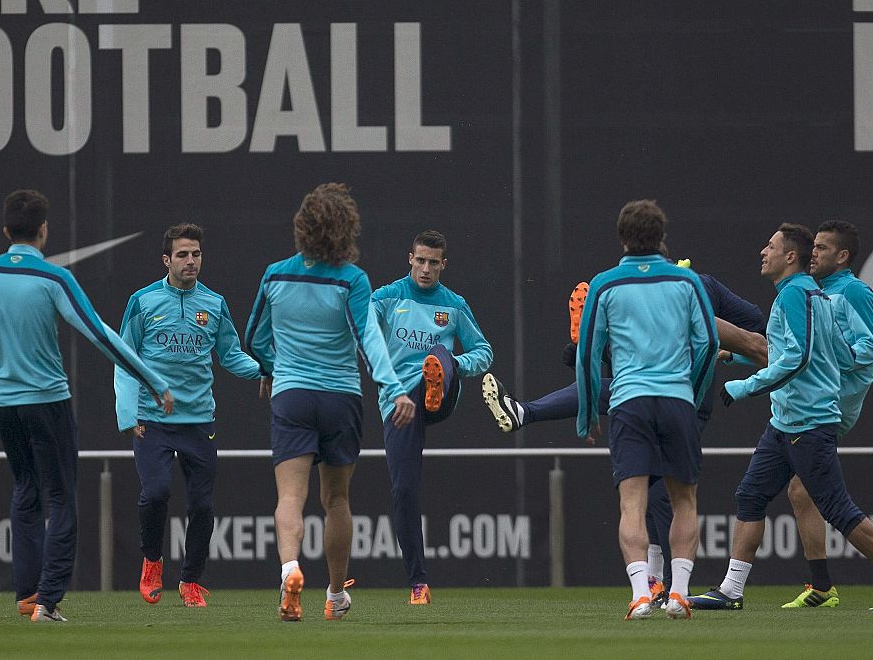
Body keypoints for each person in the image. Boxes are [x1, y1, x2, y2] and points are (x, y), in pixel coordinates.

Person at [0, 189, 173, 624]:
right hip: (47, 401)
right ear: (44, 231)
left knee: (25, 490)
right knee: (61, 497)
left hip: (1, 404)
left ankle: (28, 595)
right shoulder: (53, 278)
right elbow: (100, 334)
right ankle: (47, 603)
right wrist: (153, 380)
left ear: (6, 230)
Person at [483, 262, 767, 602]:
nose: (764, 252)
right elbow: (754, 336)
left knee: (652, 493)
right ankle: (665, 588)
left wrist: (728, 356)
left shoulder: (654, 288)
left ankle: (663, 589)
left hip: (669, 394)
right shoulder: (692, 285)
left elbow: (759, 340)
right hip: (672, 394)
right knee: (664, 491)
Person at [694, 224, 873, 612]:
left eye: (770, 246)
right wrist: (740, 358)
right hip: (786, 422)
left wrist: (745, 386)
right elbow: (792, 352)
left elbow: (799, 358)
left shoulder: (802, 295)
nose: (762, 251)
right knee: (751, 495)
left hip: (810, 420)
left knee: (833, 505)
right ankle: (731, 591)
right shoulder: (805, 294)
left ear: (789, 257)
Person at [246, 183, 412, 622]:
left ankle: (289, 570)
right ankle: (335, 595)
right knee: (335, 500)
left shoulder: (275, 274)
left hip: (292, 396)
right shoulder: (351, 279)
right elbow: (368, 340)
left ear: (302, 227)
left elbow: (254, 339)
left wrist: (270, 368)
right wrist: (394, 388)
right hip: (340, 399)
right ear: (346, 230)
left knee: (290, 498)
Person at [573, 199, 718, 619]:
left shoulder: (605, 284)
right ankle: (679, 594)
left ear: (622, 237)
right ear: (662, 237)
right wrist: (690, 390)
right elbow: (708, 344)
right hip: (676, 400)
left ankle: (640, 594)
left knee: (632, 505)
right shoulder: (686, 282)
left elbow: (587, 355)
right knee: (684, 501)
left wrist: (587, 414)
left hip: (629, 402)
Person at [114, 223, 262, 609]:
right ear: (167, 259)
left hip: (199, 421)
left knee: (202, 506)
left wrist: (266, 370)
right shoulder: (143, 302)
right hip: (152, 419)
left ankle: (191, 581)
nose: (191, 260)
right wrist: (127, 412)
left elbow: (231, 354)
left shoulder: (214, 304)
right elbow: (124, 359)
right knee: (157, 492)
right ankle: (151, 561)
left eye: (196, 253)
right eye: (182, 254)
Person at [370, 230, 494, 605]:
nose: (425, 269)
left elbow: (484, 351)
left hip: (440, 392)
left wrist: (455, 363)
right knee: (404, 490)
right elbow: (365, 338)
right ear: (410, 258)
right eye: (420, 260)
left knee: (439, 355)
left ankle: (437, 375)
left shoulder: (454, 305)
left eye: (433, 262)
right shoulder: (386, 297)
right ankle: (418, 584)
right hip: (397, 402)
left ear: (444, 264)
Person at [779, 220, 873, 610]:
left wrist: (827, 368)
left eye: (822, 247)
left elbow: (871, 346)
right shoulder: (812, 291)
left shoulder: (852, 290)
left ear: (842, 256)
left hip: (830, 403)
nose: (814, 253)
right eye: (814, 245)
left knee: (820, 496)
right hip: (815, 400)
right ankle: (822, 586)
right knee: (800, 490)